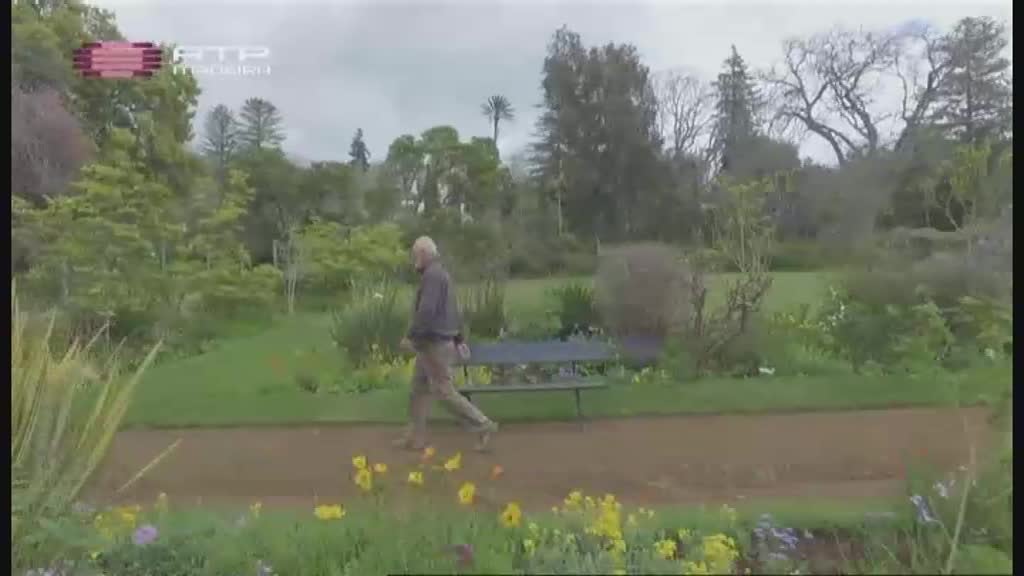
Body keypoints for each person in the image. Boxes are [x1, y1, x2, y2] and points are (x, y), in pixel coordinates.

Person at [393, 236, 499, 452]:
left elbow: (427, 311)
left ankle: (483, 424)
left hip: (434, 344)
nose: (414, 260)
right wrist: (459, 338)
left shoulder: (432, 276)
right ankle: (415, 437)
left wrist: (410, 336)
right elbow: (453, 310)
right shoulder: (441, 274)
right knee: (418, 390)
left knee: (443, 391)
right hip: (432, 344)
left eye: (415, 255)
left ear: (423, 254)